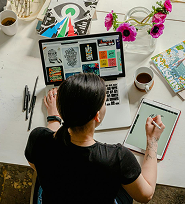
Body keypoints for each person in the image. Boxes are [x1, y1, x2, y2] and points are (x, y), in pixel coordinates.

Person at [25, 73, 165, 203]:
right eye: (104, 102)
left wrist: (53, 119)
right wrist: (152, 141)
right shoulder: (116, 157)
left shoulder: (38, 138)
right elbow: (145, 195)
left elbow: (36, 165)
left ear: (61, 110)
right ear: (97, 116)